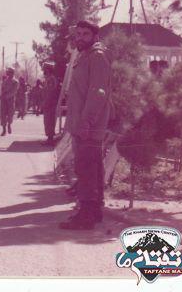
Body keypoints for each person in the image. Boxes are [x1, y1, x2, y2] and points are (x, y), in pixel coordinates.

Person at [59, 20, 112, 230]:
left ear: (95, 37)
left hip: (88, 125)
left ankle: (86, 216)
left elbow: (98, 92)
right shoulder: (85, 55)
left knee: (86, 168)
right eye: (78, 34)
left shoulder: (97, 57)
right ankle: (95, 211)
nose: (80, 37)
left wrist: (86, 122)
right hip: (83, 124)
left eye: (85, 34)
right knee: (93, 167)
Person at [41, 63, 59, 146]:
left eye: (44, 69)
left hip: (50, 103)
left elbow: (50, 92)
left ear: (48, 69)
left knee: (50, 120)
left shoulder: (51, 79)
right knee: (47, 121)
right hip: (48, 102)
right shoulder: (48, 78)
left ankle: (50, 139)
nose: (43, 70)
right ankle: (49, 138)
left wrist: (46, 102)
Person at [0, 68, 18, 136]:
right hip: (4, 100)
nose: (8, 73)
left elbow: (14, 92)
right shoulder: (5, 81)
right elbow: (2, 89)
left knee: (10, 114)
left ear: (12, 73)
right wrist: (1, 96)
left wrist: (6, 96)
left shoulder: (15, 82)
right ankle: (4, 129)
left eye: (9, 72)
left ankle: (9, 124)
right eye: (7, 72)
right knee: (3, 114)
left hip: (10, 100)